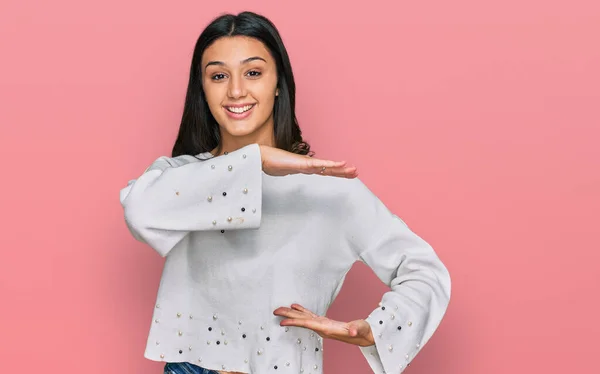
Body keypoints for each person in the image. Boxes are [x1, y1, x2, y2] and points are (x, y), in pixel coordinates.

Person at [119, 11, 451, 374]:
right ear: (203, 90)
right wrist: (255, 160)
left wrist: (378, 329)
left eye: (253, 72)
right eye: (218, 76)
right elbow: (139, 211)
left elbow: (424, 270)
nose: (235, 91)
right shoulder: (181, 176)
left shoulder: (329, 191)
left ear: (278, 83)